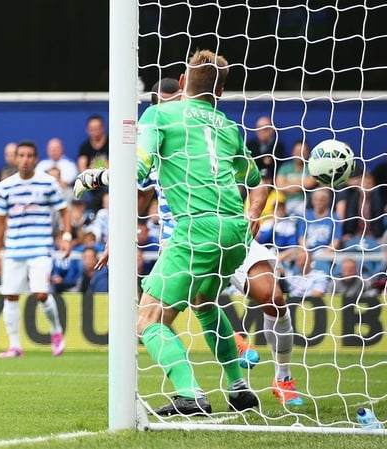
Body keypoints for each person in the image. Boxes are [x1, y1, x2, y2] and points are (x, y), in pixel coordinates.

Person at [74, 56, 263, 415]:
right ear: (220, 91)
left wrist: (95, 177)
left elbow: (137, 169)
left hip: (195, 230)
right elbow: (254, 181)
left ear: (181, 81)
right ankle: (239, 388)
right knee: (206, 305)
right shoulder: (227, 126)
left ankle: (191, 394)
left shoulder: (160, 115)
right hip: (236, 233)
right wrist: (252, 214)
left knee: (146, 320)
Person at [0, 140, 72, 358]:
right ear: (16, 158)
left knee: (40, 293)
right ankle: (15, 346)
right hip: (14, 249)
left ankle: (56, 332)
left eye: (29, 156)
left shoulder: (47, 183)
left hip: (40, 248)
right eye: (21, 155)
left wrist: (66, 236)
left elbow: (64, 211)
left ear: (35, 159)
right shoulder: (6, 186)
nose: (25, 159)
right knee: (10, 296)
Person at [246, 115, 285, 180]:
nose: (261, 131)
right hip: (252, 181)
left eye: (265, 129)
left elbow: (274, 165)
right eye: (259, 129)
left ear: (272, 130)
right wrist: (263, 160)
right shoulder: (250, 145)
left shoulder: (278, 146)